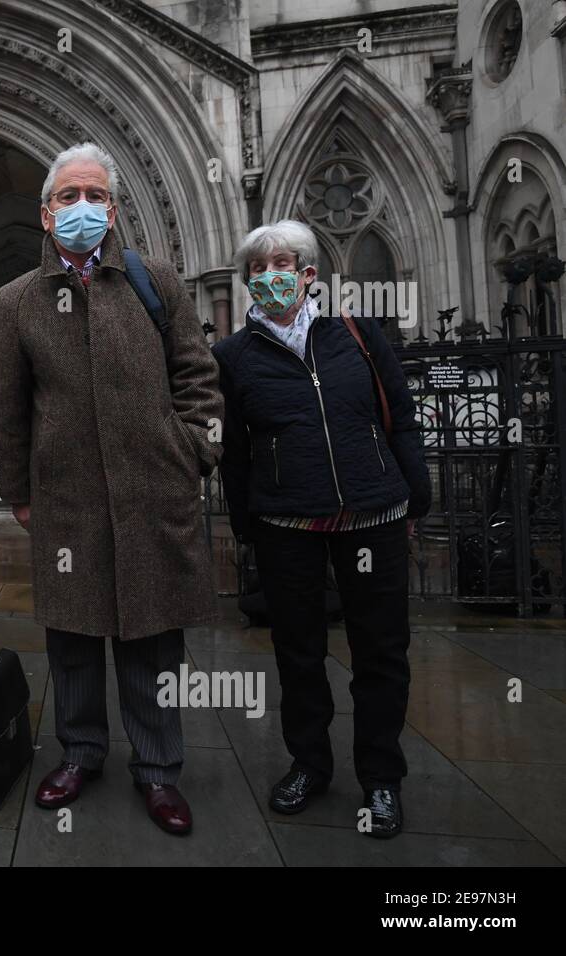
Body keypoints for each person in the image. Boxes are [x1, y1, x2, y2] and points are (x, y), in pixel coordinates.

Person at [0, 143, 223, 834]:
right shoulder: (15, 301)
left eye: (94, 196)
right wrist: (19, 492)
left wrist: (194, 452)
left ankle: (158, 771)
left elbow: (199, 377)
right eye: (68, 197)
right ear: (46, 213)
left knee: (151, 638)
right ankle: (81, 752)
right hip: (66, 499)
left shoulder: (156, 280)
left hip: (154, 490)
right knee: (73, 638)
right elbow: (9, 408)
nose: (82, 208)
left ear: (114, 209)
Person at [212, 219, 431, 838]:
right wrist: (246, 524)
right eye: (256, 270)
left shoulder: (358, 336)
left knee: (381, 653)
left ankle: (381, 778)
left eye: (281, 265)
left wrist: (416, 497)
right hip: (289, 523)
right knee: (299, 653)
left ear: (310, 275)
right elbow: (234, 452)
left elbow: (401, 416)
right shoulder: (233, 356)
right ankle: (309, 763)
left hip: (374, 516)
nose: (268, 278)